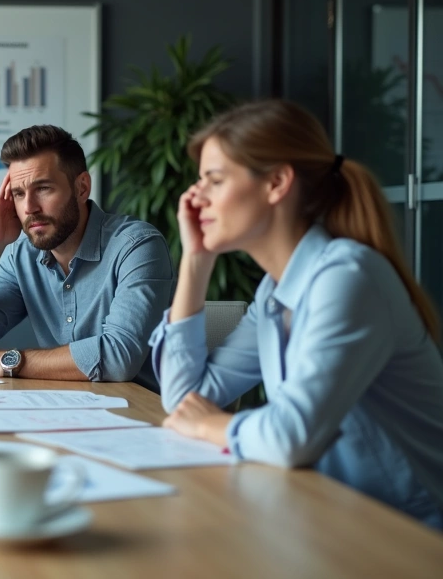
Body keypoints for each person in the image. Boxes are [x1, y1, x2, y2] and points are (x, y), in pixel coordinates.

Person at [153, 99, 443, 527]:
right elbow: (184, 401)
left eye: (214, 180)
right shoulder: (275, 292)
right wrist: (195, 262)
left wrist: (212, 426)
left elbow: (292, 438)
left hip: (411, 533)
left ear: (276, 183)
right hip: (337, 515)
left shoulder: (348, 278)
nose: (195, 198)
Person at [0, 125, 173, 386]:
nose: (29, 208)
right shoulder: (20, 256)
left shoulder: (137, 246)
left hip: (139, 413)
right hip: (60, 409)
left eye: (43, 189)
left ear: (82, 188)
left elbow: (119, 358)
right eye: (18, 194)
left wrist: (0, 361)